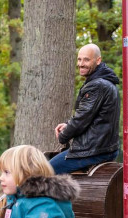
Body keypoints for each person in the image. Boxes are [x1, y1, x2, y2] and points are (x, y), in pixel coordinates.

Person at [50, 43, 121, 174]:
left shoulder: (97, 85)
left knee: (43, 171)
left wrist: (63, 137)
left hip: (94, 151)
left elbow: (81, 120)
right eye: (79, 59)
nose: (81, 64)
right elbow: (91, 116)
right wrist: (67, 124)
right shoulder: (104, 82)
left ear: (98, 60)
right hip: (103, 148)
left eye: (86, 60)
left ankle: (13, 195)